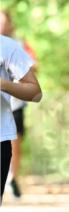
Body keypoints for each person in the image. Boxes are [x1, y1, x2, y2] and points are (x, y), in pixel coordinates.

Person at [0, 11, 38, 198]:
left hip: (13, 106)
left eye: (4, 22)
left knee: (17, 141)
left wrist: (4, 82)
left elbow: (35, 89)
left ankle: (12, 178)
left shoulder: (14, 45)